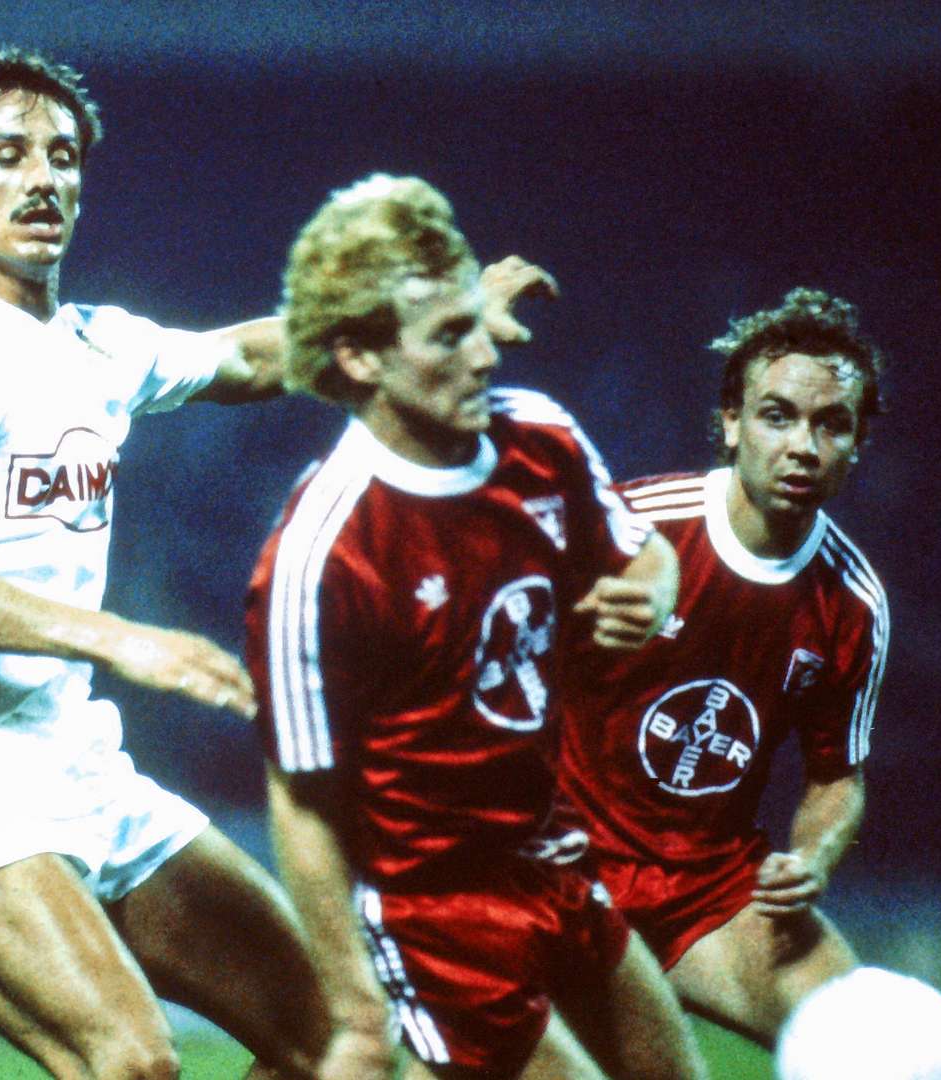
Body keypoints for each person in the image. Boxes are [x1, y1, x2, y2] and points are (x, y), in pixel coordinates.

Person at [0, 46, 377, 1080]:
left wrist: (416, 320)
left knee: (346, 1042)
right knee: (132, 1062)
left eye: (62, 156)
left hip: (78, 766)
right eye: (6, 155)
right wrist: (117, 639)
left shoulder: (97, 347)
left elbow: (253, 356)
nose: (42, 178)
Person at [247, 173, 709, 1080]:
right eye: (450, 335)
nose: (487, 356)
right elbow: (300, 805)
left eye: (478, 323)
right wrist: (355, 1010)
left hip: (555, 858)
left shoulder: (542, 438)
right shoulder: (323, 551)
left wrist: (652, 596)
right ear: (359, 358)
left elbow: (645, 554)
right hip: (433, 909)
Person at [551, 287, 888, 1045]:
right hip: (557, 860)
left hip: (706, 889)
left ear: (858, 442)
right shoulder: (635, 528)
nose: (803, 446)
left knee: (871, 1049)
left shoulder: (854, 602)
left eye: (831, 424)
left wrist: (812, 858)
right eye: (778, 416)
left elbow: (837, 775)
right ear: (732, 422)